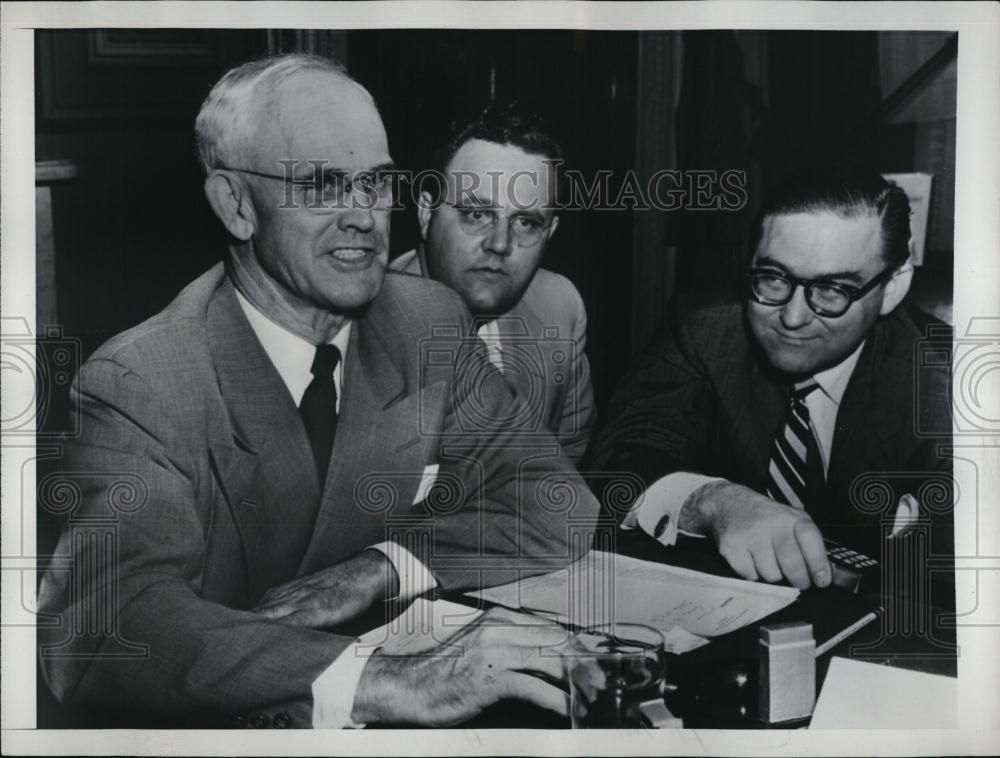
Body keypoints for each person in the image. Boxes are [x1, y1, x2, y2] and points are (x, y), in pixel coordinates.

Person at [38, 54, 598, 729]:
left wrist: (381, 567)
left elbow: (556, 501)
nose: (363, 216)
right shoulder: (141, 382)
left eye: (375, 183)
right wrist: (385, 680)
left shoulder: (424, 320)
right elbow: (109, 630)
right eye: (325, 185)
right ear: (236, 205)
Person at [586, 164, 952, 595]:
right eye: (773, 278)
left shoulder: (951, 380)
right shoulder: (704, 331)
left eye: (832, 289)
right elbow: (613, 466)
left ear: (892, 287)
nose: (793, 317)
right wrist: (714, 502)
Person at [390, 102, 595, 464]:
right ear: (426, 213)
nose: (500, 243)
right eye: (477, 214)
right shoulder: (365, 323)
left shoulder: (560, 307)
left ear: (551, 233)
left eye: (526, 223)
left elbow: (571, 462)